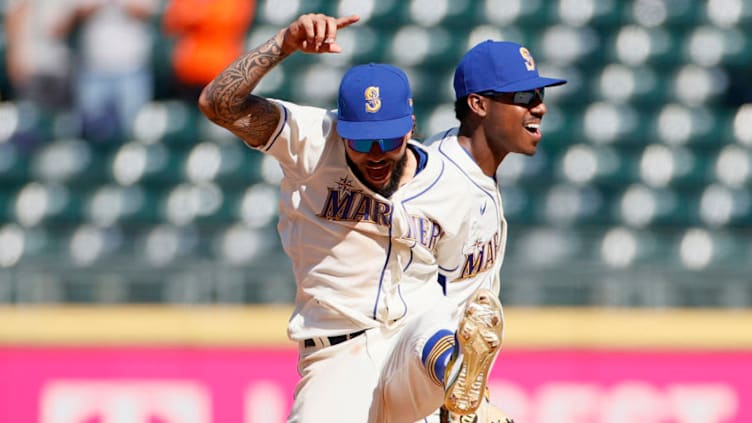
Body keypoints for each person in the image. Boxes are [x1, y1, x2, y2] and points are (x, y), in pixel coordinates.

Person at [199, 13, 513, 423]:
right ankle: (454, 380)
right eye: (362, 140)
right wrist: (284, 44)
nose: (377, 151)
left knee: (434, 321)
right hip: (337, 354)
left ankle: (459, 382)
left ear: (412, 126)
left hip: (411, 346)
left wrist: (473, 381)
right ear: (341, 128)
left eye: (390, 137)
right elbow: (217, 104)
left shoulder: (448, 185)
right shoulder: (313, 141)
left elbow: (459, 293)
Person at [388, 39, 568, 423]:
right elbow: (399, 298)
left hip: (442, 389)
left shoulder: (471, 169)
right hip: (416, 389)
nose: (540, 106)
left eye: (538, 93)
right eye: (523, 95)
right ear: (479, 104)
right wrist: (446, 387)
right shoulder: (436, 183)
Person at [70, 0, 158, 142]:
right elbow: (78, 13)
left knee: (133, 129)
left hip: (132, 64)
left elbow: (145, 12)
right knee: (90, 129)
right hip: (94, 64)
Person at [162, 0, 255, 102]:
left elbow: (225, 20)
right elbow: (172, 21)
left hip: (219, 70)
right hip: (186, 71)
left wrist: (197, 12)